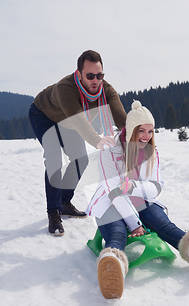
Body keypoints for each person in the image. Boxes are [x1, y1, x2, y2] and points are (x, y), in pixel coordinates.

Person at [86, 100, 189, 299]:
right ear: (130, 130)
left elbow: (155, 187)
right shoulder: (110, 153)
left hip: (137, 198)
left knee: (163, 223)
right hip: (109, 202)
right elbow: (114, 193)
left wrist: (134, 187)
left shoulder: (151, 152)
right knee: (118, 232)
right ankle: (114, 267)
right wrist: (135, 224)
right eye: (141, 131)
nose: (146, 137)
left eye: (151, 131)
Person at [29, 50, 127, 236]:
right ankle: (54, 212)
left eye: (99, 75)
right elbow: (79, 122)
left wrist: (138, 136)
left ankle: (65, 203)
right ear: (79, 74)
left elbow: (121, 118)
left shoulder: (105, 90)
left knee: (80, 159)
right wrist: (98, 141)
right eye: (90, 76)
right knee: (54, 160)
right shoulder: (65, 88)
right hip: (43, 115)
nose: (95, 80)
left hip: (67, 121)